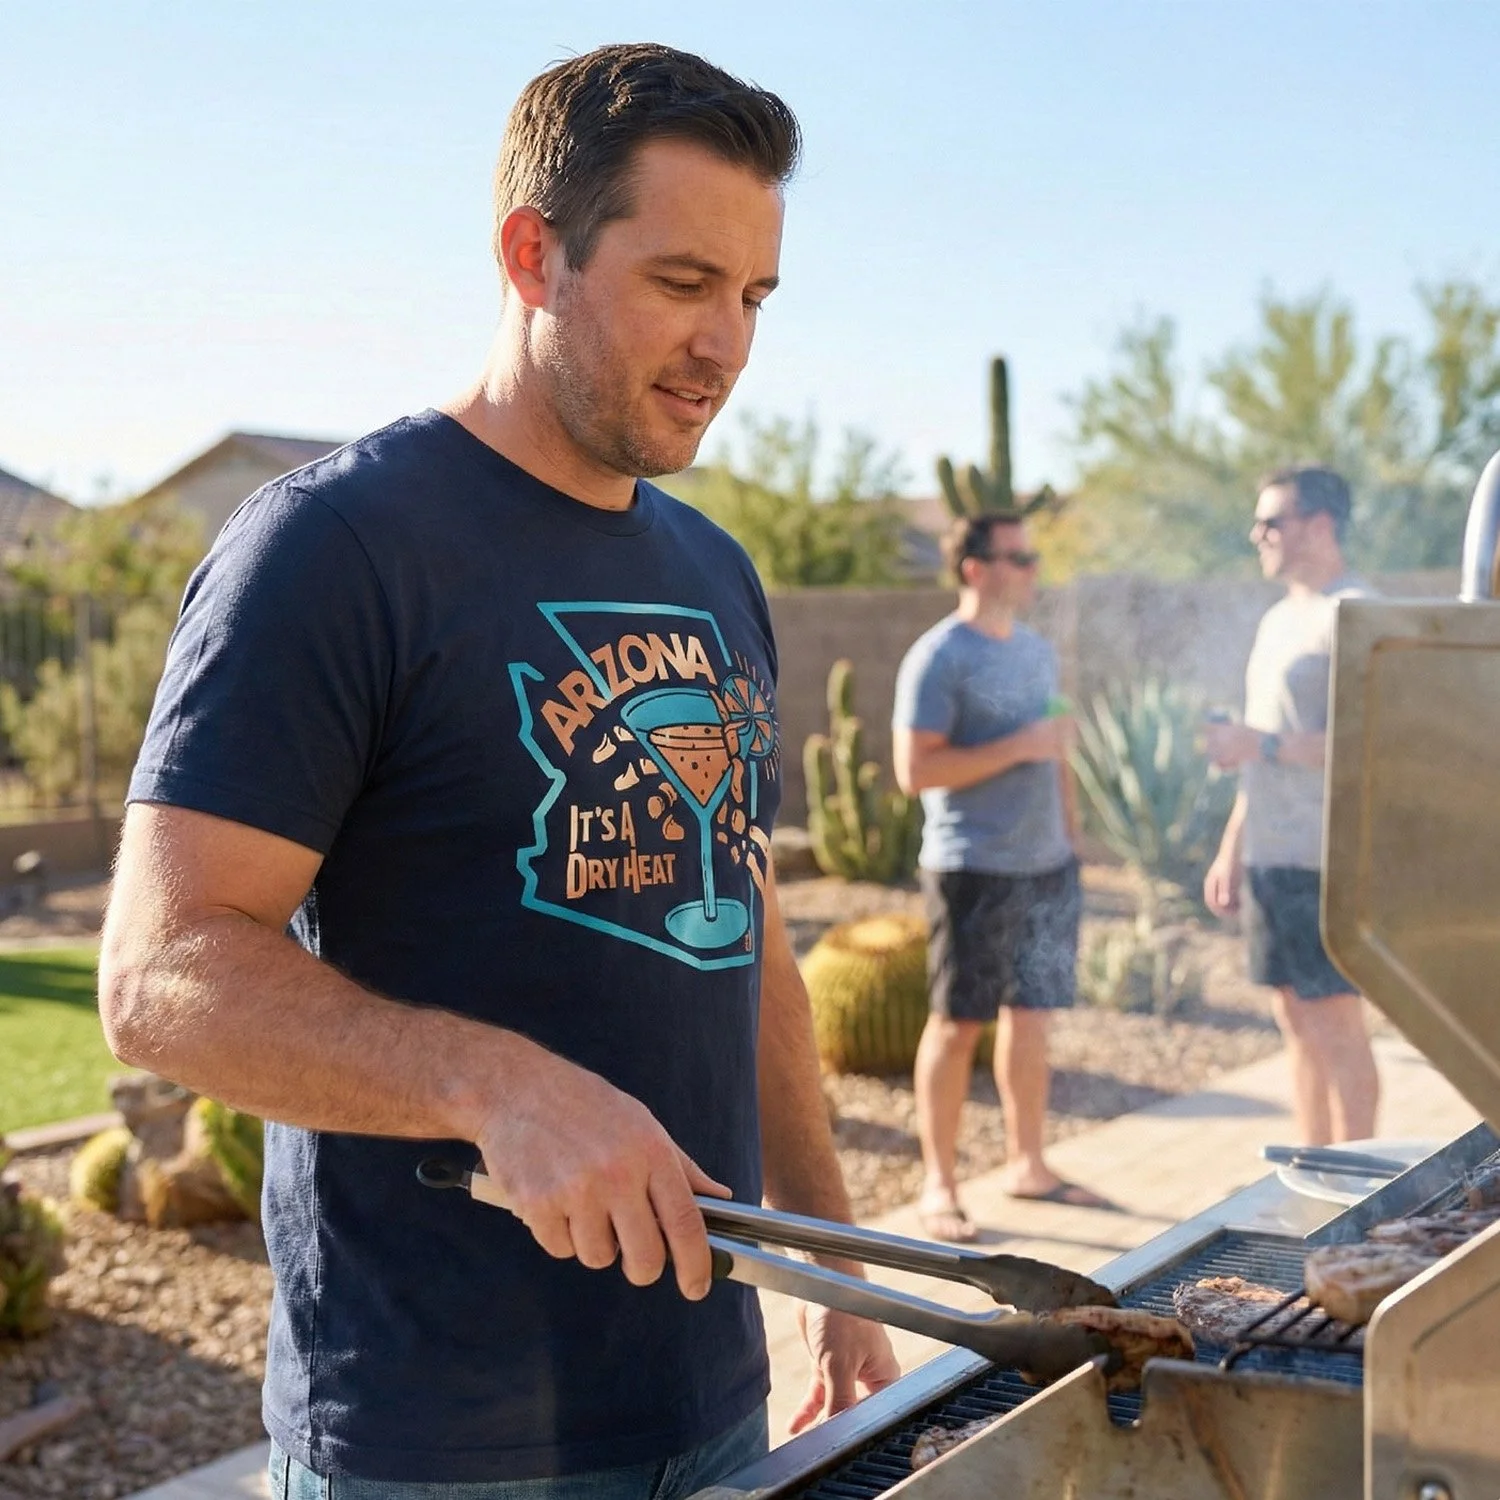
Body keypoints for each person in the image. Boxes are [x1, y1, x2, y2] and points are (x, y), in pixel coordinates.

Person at [97, 43, 897, 1498]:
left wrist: (831, 1262)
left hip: (709, 1401)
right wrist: (491, 1083)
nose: (727, 344)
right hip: (433, 1445)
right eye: (682, 282)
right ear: (535, 255)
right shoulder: (332, 549)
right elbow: (159, 977)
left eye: (755, 295)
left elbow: (750, 930)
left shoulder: (716, 573)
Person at [891, 512, 1103, 1245]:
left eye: (1033, 556)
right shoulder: (937, 657)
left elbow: (1056, 749)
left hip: (1047, 865)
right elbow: (914, 770)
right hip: (971, 867)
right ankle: (939, 1186)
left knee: (1033, 1017)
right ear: (974, 568)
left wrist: (1072, 837)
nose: (1033, 568)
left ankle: (1028, 1164)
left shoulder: (1039, 652)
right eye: (1019, 557)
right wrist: (1021, 744)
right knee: (957, 1027)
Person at [1203, 463, 1380, 1146]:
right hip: (1270, 853)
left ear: (1320, 525)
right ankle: (1314, 1164)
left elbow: (1375, 745)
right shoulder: (1277, 620)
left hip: (1327, 856)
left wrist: (1264, 744)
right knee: (1294, 1017)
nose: (1258, 535)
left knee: (1336, 1022)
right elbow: (1260, 745)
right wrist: (1232, 849)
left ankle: (1361, 1182)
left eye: (1271, 521)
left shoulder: (1358, 614)